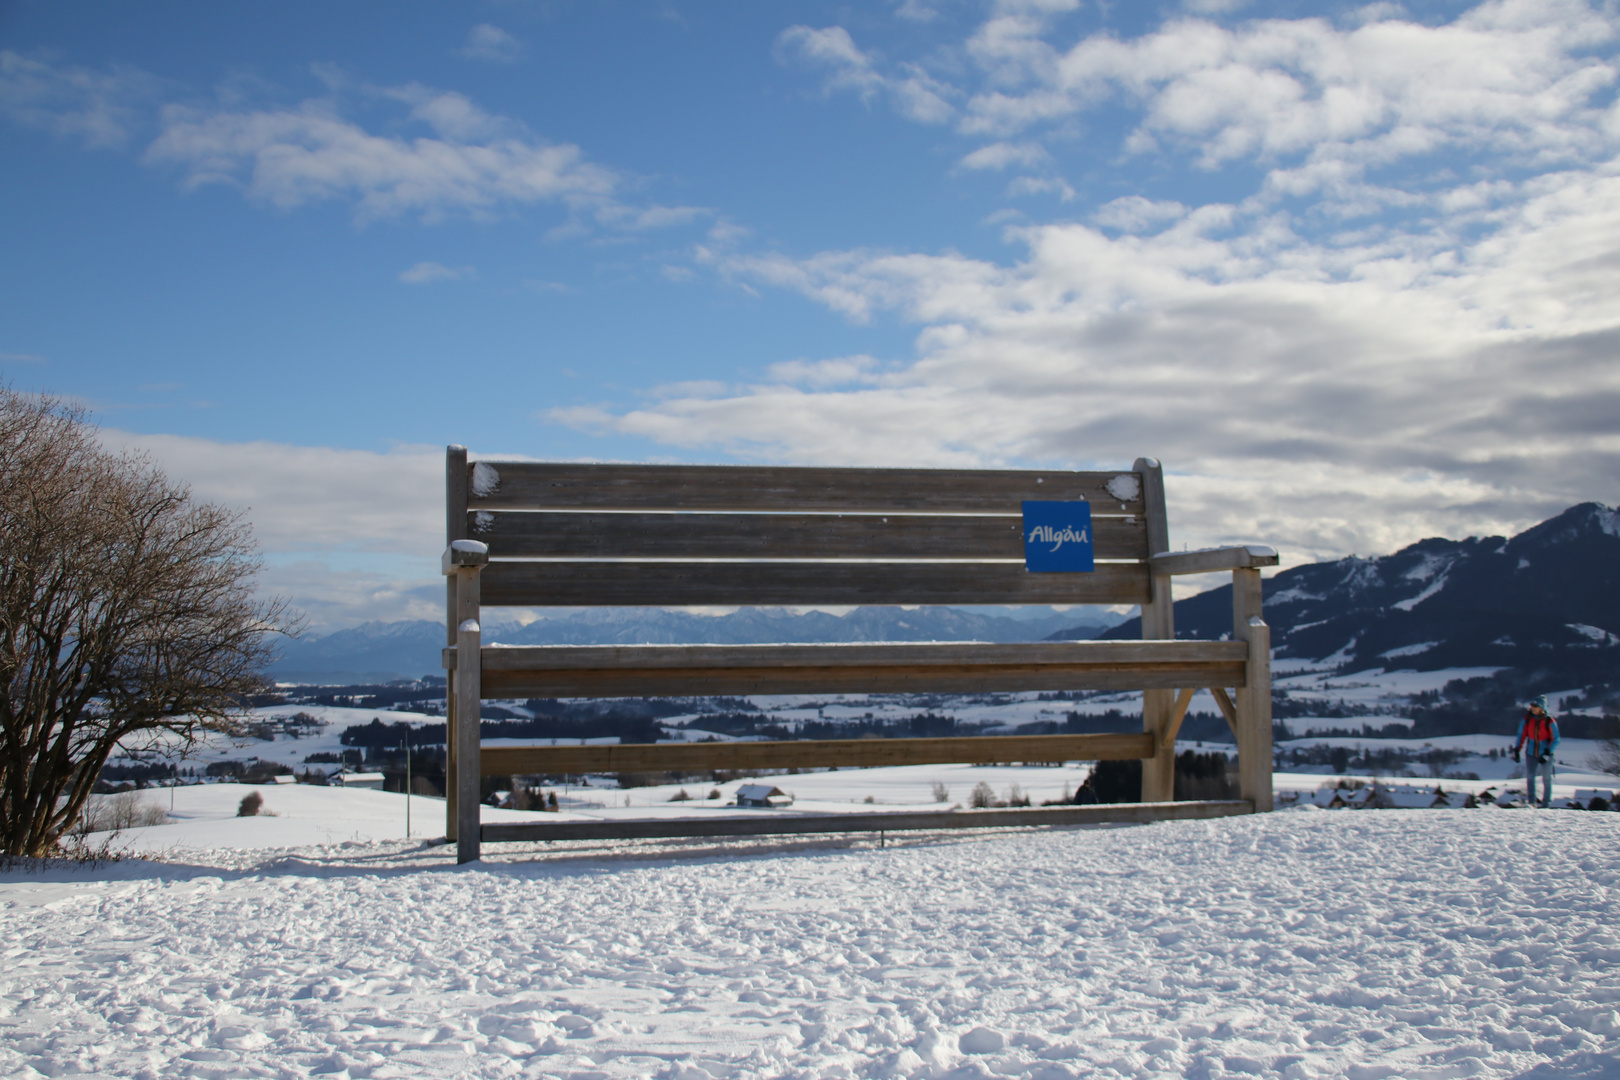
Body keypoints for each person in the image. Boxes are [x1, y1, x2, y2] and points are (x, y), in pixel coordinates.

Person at [1513, 696, 1561, 808]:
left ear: (1541, 708)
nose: (1532, 708)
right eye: (1532, 706)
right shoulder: (1527, 719)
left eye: (1535, 706)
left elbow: (1556, 738)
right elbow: (1521, 734)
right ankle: (1531, 802)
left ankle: (1546, 804)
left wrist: (1548, 752)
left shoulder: (1549, 721)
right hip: (1531, 752)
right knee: (1530, 777)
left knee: (1547, 779)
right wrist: (1517, 749)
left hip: (1545, 753)